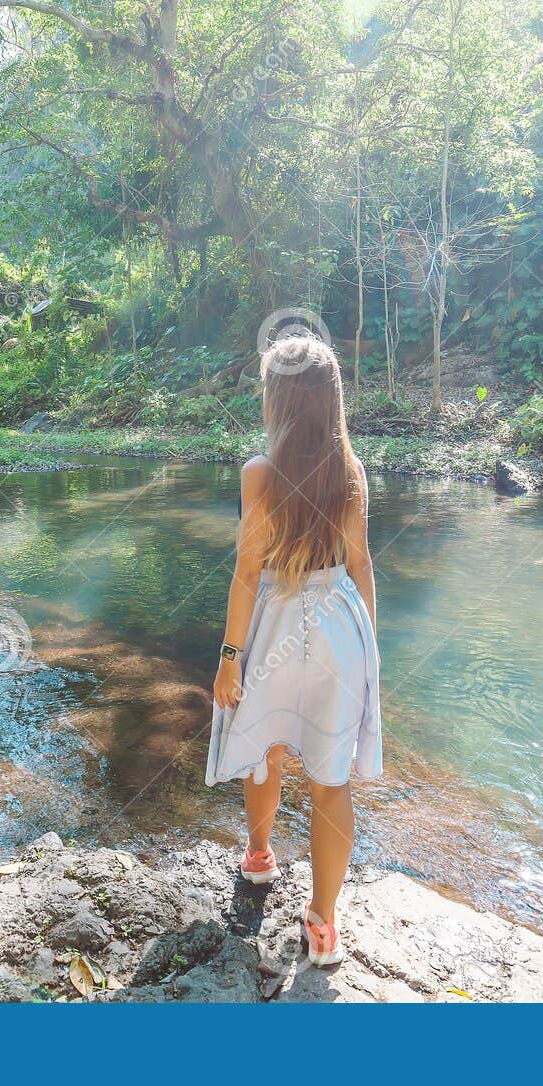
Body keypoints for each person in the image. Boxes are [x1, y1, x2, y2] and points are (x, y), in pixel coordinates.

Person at [207, 332, 381, 967]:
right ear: (330, 399)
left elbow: (248, 573)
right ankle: (324, 923)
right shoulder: (351, 469)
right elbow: (361, 566)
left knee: (265, 747)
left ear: (278, 401)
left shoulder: (259, 473)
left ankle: (259, 857)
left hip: (277, 620)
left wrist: (229, 657)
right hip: (339, 625)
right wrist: (371, 650)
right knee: (332, 783)